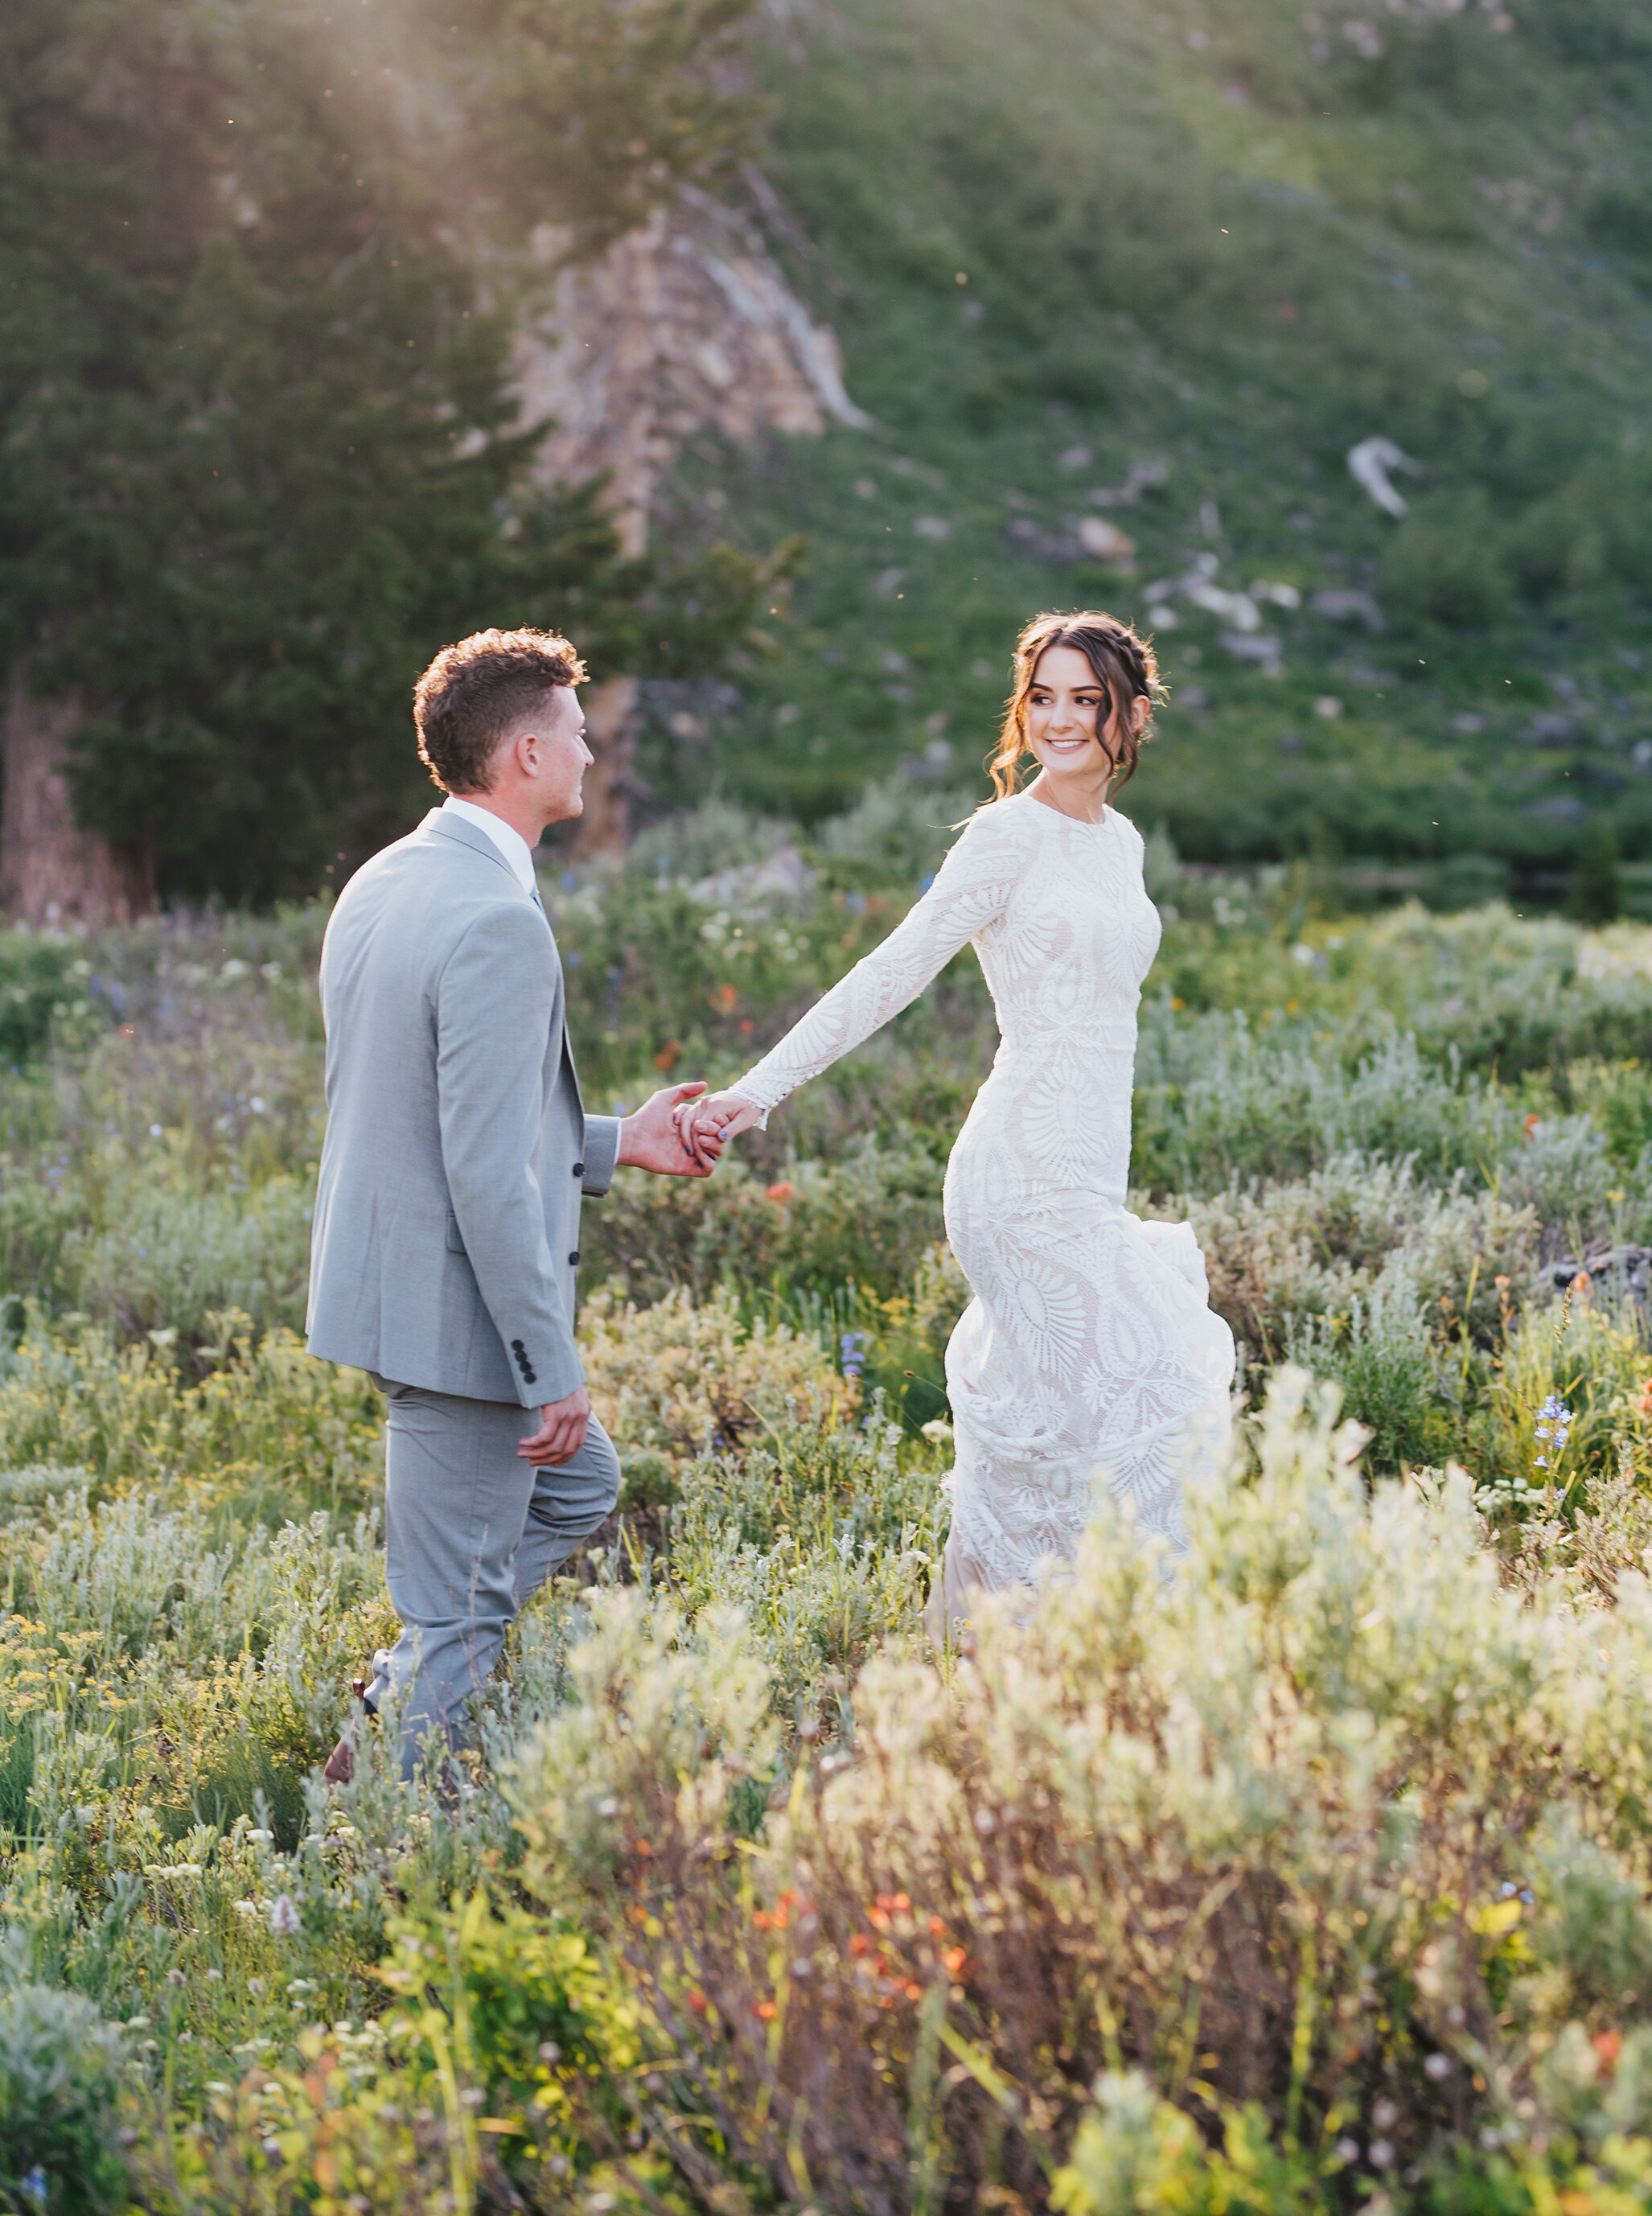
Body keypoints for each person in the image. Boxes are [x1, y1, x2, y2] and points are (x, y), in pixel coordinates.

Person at [686, 611, 1235, 1634]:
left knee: (1089, 1428)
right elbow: (893, 968)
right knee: (1145, 1400)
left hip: (1091, 1174)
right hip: (1017, 1176)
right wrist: (758, 1091)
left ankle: (978, 1667)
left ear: (1130, 715)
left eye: (1086, 699)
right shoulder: (1005, 836)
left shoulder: (1122, 843)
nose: (1059, 719)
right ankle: (1060, 1662)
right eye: (1042, 697)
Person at [307, 627, 722, 1774]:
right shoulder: (499, 919)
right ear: (528, 753)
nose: (592, 753)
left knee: (582, 1486)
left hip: (390, 1288)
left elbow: (430, 1113)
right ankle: (362, 1846)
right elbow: (484, 1172)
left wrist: (620, 1140)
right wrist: (547, 1367)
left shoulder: (387, 877)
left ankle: (399, 1689)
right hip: (458, 1322)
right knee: (464, 1617)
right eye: (579, 734)